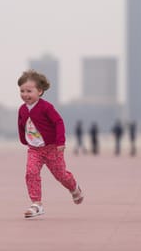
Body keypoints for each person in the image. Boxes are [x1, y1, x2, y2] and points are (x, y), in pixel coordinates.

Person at [17, 69, 83, 218]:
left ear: (39, 91)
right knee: (31, 172)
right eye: (22, 91)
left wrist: (61, 142)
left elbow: (58, 122)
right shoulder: (22, 109)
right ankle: (36, 204)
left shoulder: (46, 107)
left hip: (53, 148)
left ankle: (74, 188)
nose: (25, 94)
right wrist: (23, 139)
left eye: (29, 91)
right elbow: (21, 125)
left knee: (61, 175)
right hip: (34, 149)